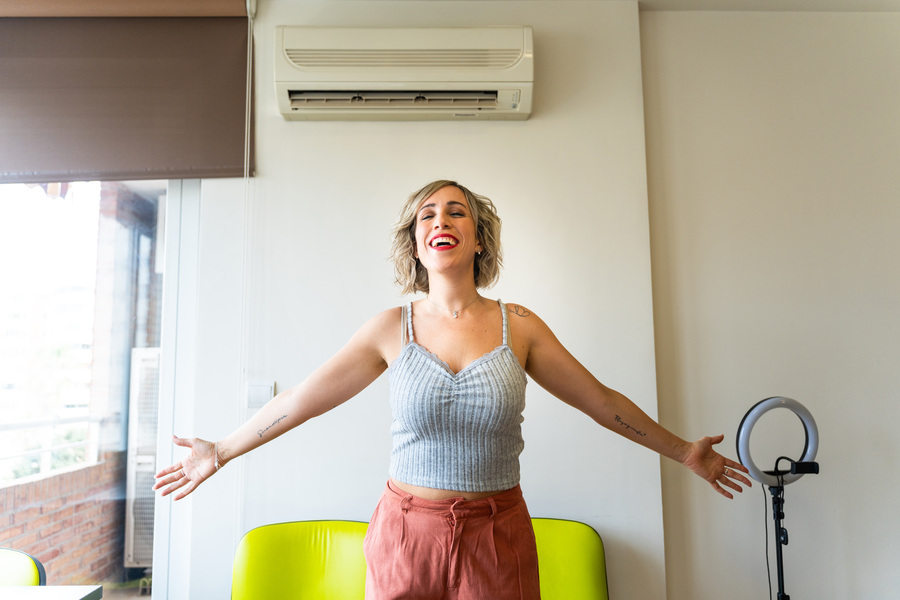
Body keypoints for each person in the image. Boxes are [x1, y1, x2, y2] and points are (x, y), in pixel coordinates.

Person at [154, 180, 751, 600]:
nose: (442, 220)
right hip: (406, 533)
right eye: (427, 215)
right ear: (416, 245)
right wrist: (222, 450)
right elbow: (299, 403)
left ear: (479, 239)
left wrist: (683, 452)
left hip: (499, 533)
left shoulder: (522, 326)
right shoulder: (392, 329)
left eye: (457, 212)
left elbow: (603, 403)